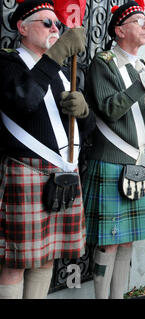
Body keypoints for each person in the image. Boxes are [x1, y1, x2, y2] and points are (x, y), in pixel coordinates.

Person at [0, 0, 94, 298]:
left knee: (47, 257)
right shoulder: (8, 64)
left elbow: (87, 133)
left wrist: (85, 113)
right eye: (47, 23)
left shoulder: (67, 73)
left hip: (64, 174)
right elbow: (23, 100)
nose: (56, 28)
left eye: (58, 24)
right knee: (15, 261)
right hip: (26, 171)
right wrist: (56, 55)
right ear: (22, 28)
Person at [82, 0, 145, 299]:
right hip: (111, 161)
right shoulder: (103, 62)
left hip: (139, 163)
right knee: (109, 242)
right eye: (138, 21)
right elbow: (109, 108)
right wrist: (144, 83)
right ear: (119, 30)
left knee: (127, 242)